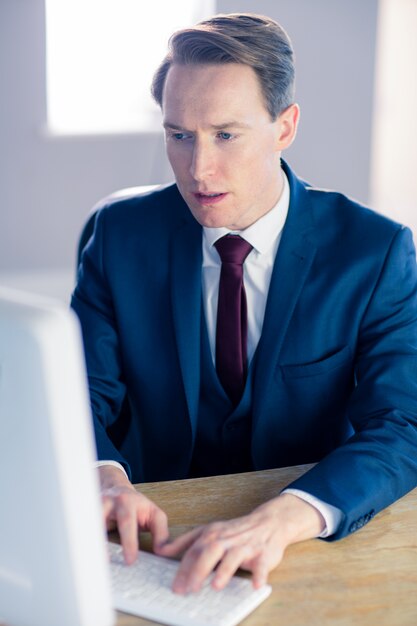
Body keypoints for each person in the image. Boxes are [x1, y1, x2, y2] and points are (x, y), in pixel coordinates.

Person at [71, 13, 417, 593]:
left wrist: (283, 519)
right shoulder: (118, 235)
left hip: (299, 537)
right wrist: (103, 477)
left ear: (285, 127)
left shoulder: (375, 251)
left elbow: (404, 423)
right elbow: (76, 392)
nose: (198, 169)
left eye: (226, 134)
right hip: (146, 534)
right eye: (179, 135)